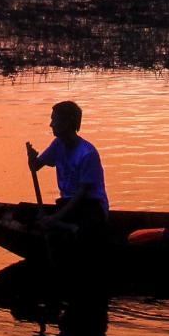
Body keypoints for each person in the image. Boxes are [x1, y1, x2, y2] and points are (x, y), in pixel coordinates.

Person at [26, 99, 109, 239]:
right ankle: (65, 226)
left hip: (91, 207)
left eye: (55, 120)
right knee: (22, 213)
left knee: (81, 228)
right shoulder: (58, 145)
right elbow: (35, 167)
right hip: (68, 204)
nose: (51, 124)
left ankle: (64, 226)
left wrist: (55, 217)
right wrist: (32, 159)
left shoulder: (87, 153)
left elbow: (81, 194)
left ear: (67, 123)